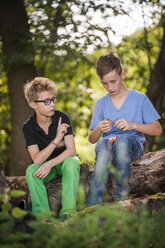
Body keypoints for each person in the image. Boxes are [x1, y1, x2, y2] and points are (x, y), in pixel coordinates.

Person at [87, 51, 162, 206]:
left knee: (123, 141)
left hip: (131, 145)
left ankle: (121, 199)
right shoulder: (100, 103)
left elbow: (157, 129)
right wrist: (99, 129)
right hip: (107, 144)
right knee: (102, 149)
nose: (109, 87)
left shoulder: (139, 98)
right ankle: (94, 204)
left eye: (113, 81)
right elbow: (92, 139)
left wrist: (132, 125)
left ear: (123, 74)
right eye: (104, 84)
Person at [23, 77, 80, 220]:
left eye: (53, 99)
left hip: (63, 164)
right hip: (44, 168)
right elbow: (36, 159)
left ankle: (68, 213)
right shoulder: (28, 127)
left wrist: (50, 163)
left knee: (72, 162)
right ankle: (43, 217)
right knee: (31, 170)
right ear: (33, 104)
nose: (52, 104)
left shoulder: (62, 118)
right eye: (47, 101)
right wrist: (56, 140)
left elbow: (71, 151)